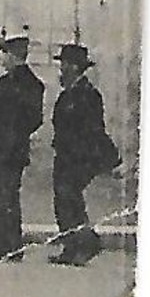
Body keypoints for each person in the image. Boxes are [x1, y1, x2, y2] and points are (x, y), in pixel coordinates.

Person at [0, 32, 45, 262]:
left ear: (13, 55)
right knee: (0, 196)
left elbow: (34, 118)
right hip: (0, 147)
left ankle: (8, 246)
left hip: (10, 149)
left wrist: (14, 134)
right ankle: (8, 245)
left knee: (5, 197)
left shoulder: (29, 83)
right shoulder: (3, 77)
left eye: (3, 52)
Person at [48, 44, 120, 266]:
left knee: (69, 198)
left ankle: (88, 243)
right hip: (65, 155)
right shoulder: (68, 93)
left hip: (80, 157)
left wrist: (90, 157)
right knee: (64, 201)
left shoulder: (88, 95)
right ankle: (71, 248)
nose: (61, 68)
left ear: (74, 67)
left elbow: (93, 129)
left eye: (65, 64)